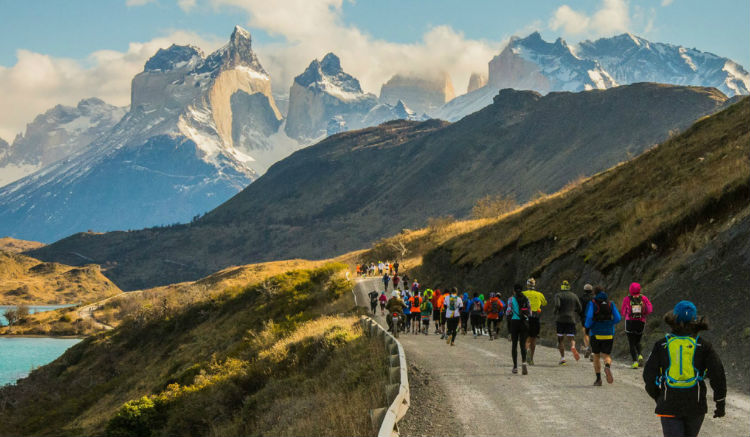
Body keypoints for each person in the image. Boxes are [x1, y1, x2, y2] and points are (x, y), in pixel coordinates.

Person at [643, 301, 726, 437]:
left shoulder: (661, 345)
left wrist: (659, 396)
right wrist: (720, 403)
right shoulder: (704, 346)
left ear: (674, 318)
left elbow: (648, 376)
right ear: (695, 320)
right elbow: (718, 375)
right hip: (695, 405)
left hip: (669, 403)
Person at [584, 286, 621, 386]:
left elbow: (590, 316)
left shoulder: (592, 303)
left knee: (596, 356)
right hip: (609, 334)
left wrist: (588, 326)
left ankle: (598, 379)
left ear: (595, 294)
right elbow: (618, 318)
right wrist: (610, 323)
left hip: (596, 334)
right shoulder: (611, 303)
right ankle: (607, 365)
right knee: (606, 355)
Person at [621, 282, 653, 369]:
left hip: (630, 322)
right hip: (640, 322)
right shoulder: (644, 298)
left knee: (631, 342)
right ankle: (640, 355)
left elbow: (623, 312)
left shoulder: (626, 299)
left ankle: (635, 362)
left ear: (630, 289)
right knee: (638, 340)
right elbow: (650, 310)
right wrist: (643, 312)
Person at [553, 280, 582, 365]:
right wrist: (574, 311)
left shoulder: (558, 295)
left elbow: (557, 305)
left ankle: (562, 358)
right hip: (571, 319)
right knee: (571, 337)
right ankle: (573, 346)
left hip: (560, 319)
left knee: (560, 340)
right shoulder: (574, 296)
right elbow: (580, 308)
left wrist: (555, 311)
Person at [506, 284, 531, 374]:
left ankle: (515, 367)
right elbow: (530, 312)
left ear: (514, 290)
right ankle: (524, 362)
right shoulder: (526, 298)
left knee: (514, 345)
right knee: (523, 344)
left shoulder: (511, 299)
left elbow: (508, 312)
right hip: (524, 323)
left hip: (514, 322)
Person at [523, 278, 547, 365]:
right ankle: (531, 359)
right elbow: (544, 303)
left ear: (527, 285)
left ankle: (525, 355)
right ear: (534, 285)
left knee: (526, 338)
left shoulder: (523, 294)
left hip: (525, 318)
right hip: (535, 318)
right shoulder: (539, 294)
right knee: (533, 338)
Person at [579, 283, 595, 359]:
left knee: (586, 334)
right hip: (594, 318)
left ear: (584, 290)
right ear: (591, 290)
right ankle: (593, 351)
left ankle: (588, 347)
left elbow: (579, 308)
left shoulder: (581, 298)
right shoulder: (595, 298)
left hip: (584, 318)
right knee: (593, 334)